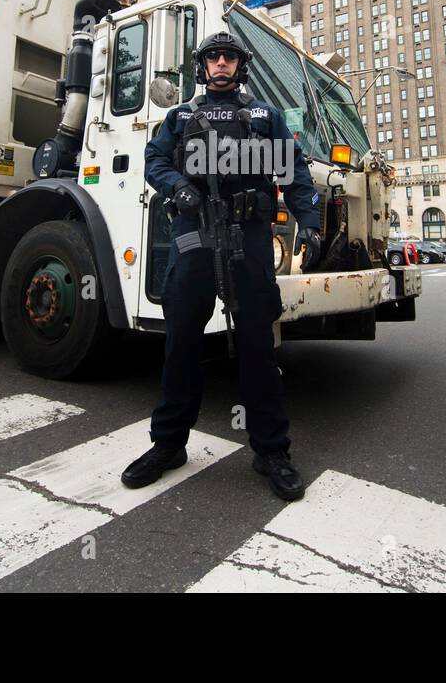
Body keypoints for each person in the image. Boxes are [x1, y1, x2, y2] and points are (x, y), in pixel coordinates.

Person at [121, 30, 322, 501]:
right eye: (213, 57)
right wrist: (176, 186)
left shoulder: (263, 116)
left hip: (248, 236)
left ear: (240, 65)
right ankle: (168, 445)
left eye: (229, 57)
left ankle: (271, 451)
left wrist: (308, 223)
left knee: (257, 346)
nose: (221, 64)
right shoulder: (181, 116)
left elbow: (293, 172)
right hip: (194, 233)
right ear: (202, 66)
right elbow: (153, 160)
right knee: (181, 343)